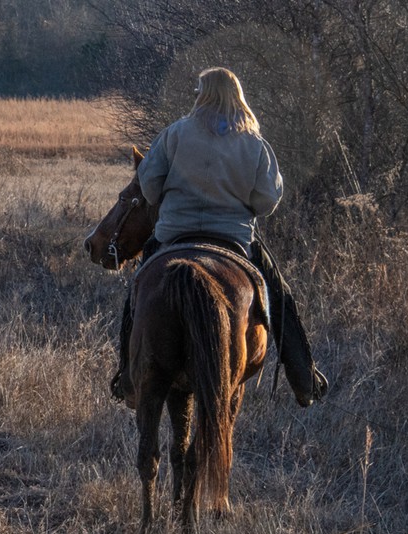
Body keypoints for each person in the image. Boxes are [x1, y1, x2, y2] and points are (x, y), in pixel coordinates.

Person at [112, 67, 327, 405]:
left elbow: (149, 188)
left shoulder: (174, 134)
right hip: (234, 238)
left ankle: (126, 377)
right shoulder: (254, 143)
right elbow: (267, 201)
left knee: (138, 290)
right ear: (236, 96)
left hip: (174, 234)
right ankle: (303, 380)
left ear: (203, 94)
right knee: (280, 296)